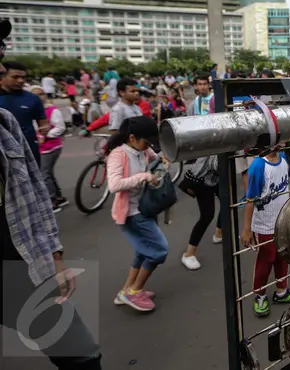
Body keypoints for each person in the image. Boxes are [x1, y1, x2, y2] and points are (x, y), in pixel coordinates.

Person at [0, 107, 103, 369]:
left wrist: (55, 255)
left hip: (23, 268)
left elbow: (34, 191)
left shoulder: (5, 122)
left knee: (82, 356)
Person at [106, 116, 167, 312]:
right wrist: (143, 177)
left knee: (142, 251)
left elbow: (155, 158)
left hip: (144, 208)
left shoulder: (143, 150)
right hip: (131, 214)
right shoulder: (118, 154)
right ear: (132, 138)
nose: (149, 147)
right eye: (146, 142)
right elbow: (114, 185)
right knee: (159, 250)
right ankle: (134, 292)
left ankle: (126, 291)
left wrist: (162, 160)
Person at [241, 148, 290, 317]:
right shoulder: (258, 166)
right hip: (265, 224)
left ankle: (281, 290)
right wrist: (247, 229)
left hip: (282, 221)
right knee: (266, 259)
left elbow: (288, 184)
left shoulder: (284, 158)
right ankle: (259, 294)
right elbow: (250, 199)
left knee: (282, 256)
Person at [181, 72, 222, 270]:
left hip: (218, 164)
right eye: (200, 84)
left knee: (229, 204)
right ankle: (189, 253)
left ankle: (220, 232)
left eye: (206, 83)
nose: (203, 86)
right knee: (206, 214)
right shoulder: (193, 105)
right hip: (204, 167)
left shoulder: (216, 100)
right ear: (196, 86)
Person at [0, 61, 49, 165]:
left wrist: (44, 129)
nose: (21, 80)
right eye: (15, 77)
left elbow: (43, 123)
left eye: (23, 77)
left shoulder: (33, 99)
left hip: (28, 149)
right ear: (3, 76)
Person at [31, 86, 69, 213]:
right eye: (35, 94)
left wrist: (46, 135)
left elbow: (60, 128)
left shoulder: (52, 110)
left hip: (51, 146)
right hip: (40, 146)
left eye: (41, 94)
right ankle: (58, 196)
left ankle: (52, 200)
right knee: (47, 173)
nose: (38, 97)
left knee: (44, 174)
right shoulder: (32, 110)